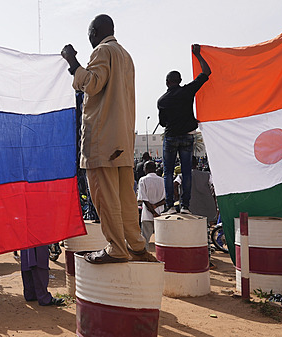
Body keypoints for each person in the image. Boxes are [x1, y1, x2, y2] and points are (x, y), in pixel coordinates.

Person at [61, 14, 155, 264]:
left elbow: (92, 84)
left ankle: (116, 248)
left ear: (94, 32)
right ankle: (136, 246)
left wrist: (73, 63)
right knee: (125, 198)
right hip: (122, 138)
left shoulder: (102, 51)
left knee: (105, 197)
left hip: (102, 139)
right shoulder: (125, 55)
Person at [158, 45, 211, 215]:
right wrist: (198, 55)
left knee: (168, 173)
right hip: (188, 136)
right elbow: (207, 72)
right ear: (180, 80)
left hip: (171, 137)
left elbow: (163, 123)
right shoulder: (188, 91)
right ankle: (185, 206)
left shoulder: (162, 100)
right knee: (186, 172)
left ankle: (169, 205)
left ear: (167, 82)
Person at [174, 156, 217, 223]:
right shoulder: (207, 175)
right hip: (206, 205)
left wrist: (177, 195)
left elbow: (175, 184)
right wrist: (212, 195)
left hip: (190, 207)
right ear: (197, 163)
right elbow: (214, 186)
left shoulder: (181, 176)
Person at [137, 161, 165, 250]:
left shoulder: (143, 180)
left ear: (147, 169)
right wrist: (156, 207)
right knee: (162, 238)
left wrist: (153, 211)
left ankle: (144, 257)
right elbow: (166, 199)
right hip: (161, 213)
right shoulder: (162, 180)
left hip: (147, 214)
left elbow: (143, 198)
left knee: (145, 238)